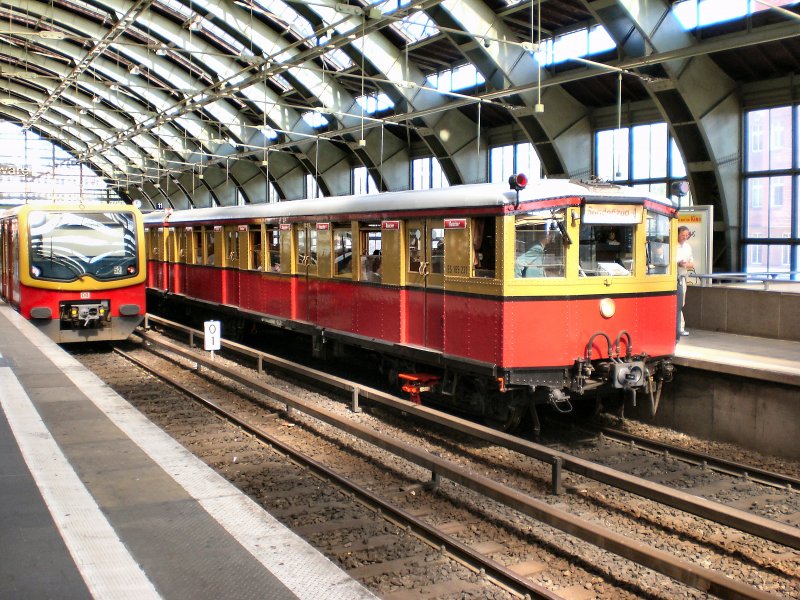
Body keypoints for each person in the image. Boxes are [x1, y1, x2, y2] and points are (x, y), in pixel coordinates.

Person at [676, 225, 694, 337]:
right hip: (672, 277)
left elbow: (692, 264)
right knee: (675, 303)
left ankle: (680, 327)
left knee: (681, 303)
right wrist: (678, 263)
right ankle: (676, 327)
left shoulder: (688, 247)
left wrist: (684, 264)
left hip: (682, 277)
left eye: (687, 235)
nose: (685, 237)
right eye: (683, 235)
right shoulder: (673, 245)